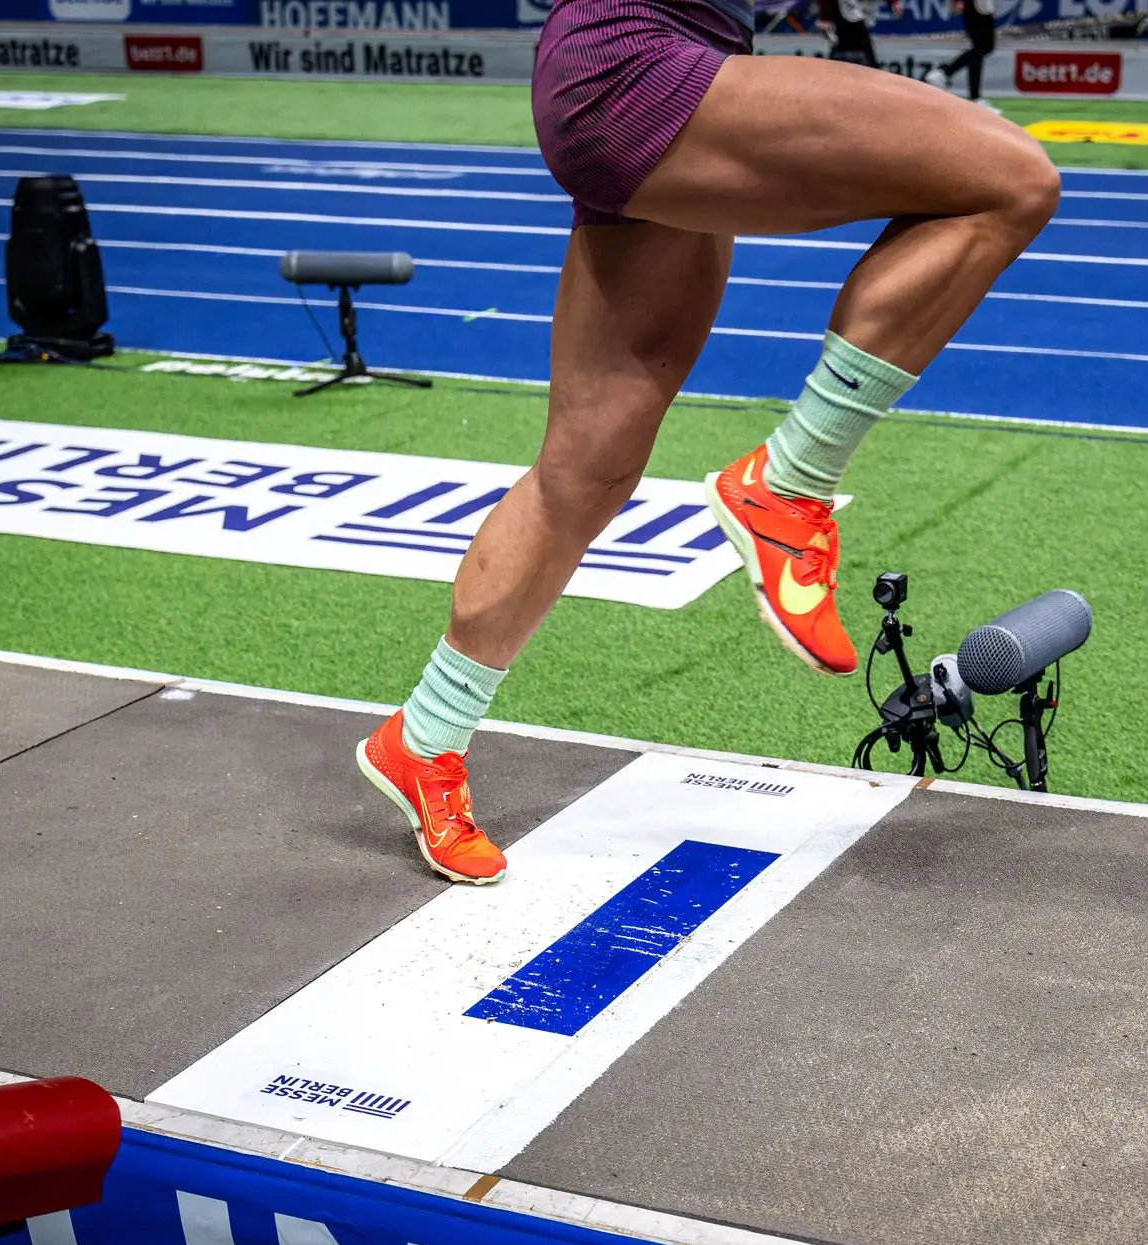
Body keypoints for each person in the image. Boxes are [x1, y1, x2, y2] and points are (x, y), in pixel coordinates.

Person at [356, 0, 1061, 884]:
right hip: (639, 73)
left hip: (645, 71)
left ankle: (424, 737)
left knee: (586, 469)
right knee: (1010, 179)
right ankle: (790, 484)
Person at [928, 0, 1001, 107]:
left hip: (981, 5)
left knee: (981, 49)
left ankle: (974, 97)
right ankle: (945, 74)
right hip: (975, 5)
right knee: (983, 47)